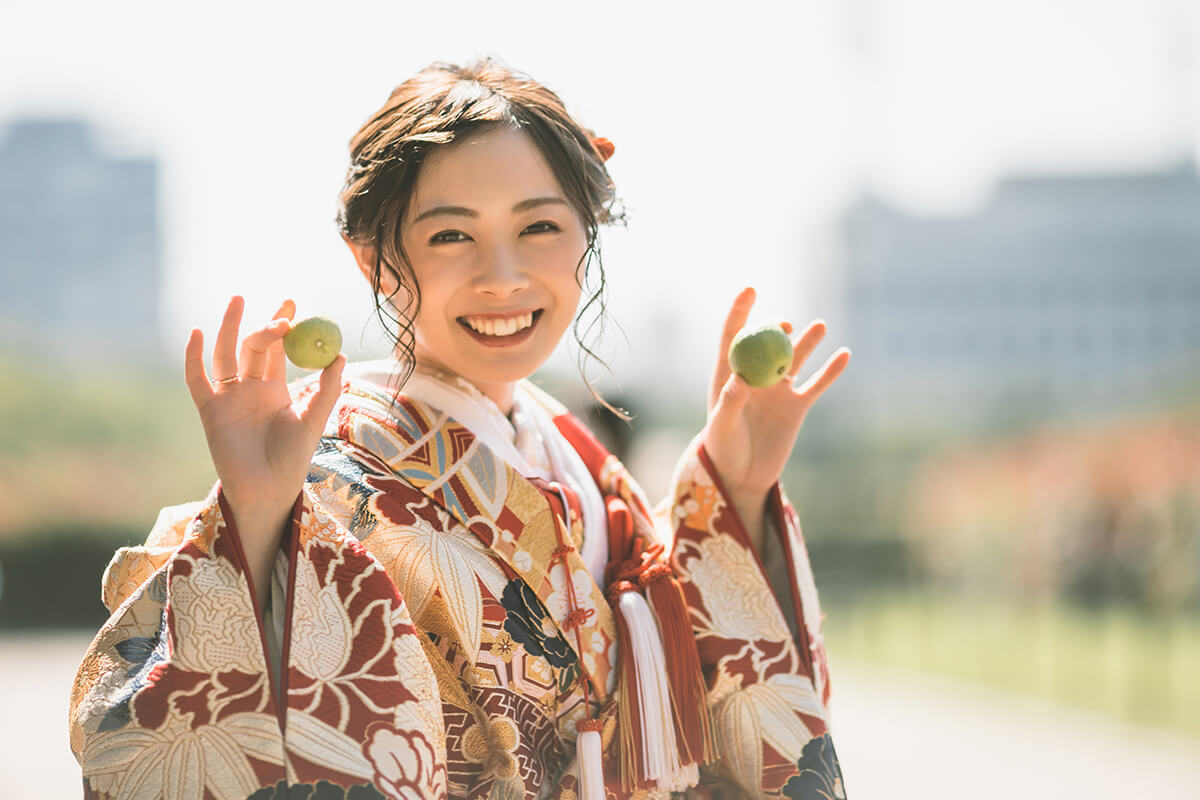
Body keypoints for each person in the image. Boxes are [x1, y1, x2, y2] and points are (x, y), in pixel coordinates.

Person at [68, 57, 852, 800]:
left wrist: (735, 491)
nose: (502, 275)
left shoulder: (585, 468)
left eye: (540, 226)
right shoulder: (329, 476)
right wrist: (257, 523)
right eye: (451, 235)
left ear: (589, 231)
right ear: (372, 258)